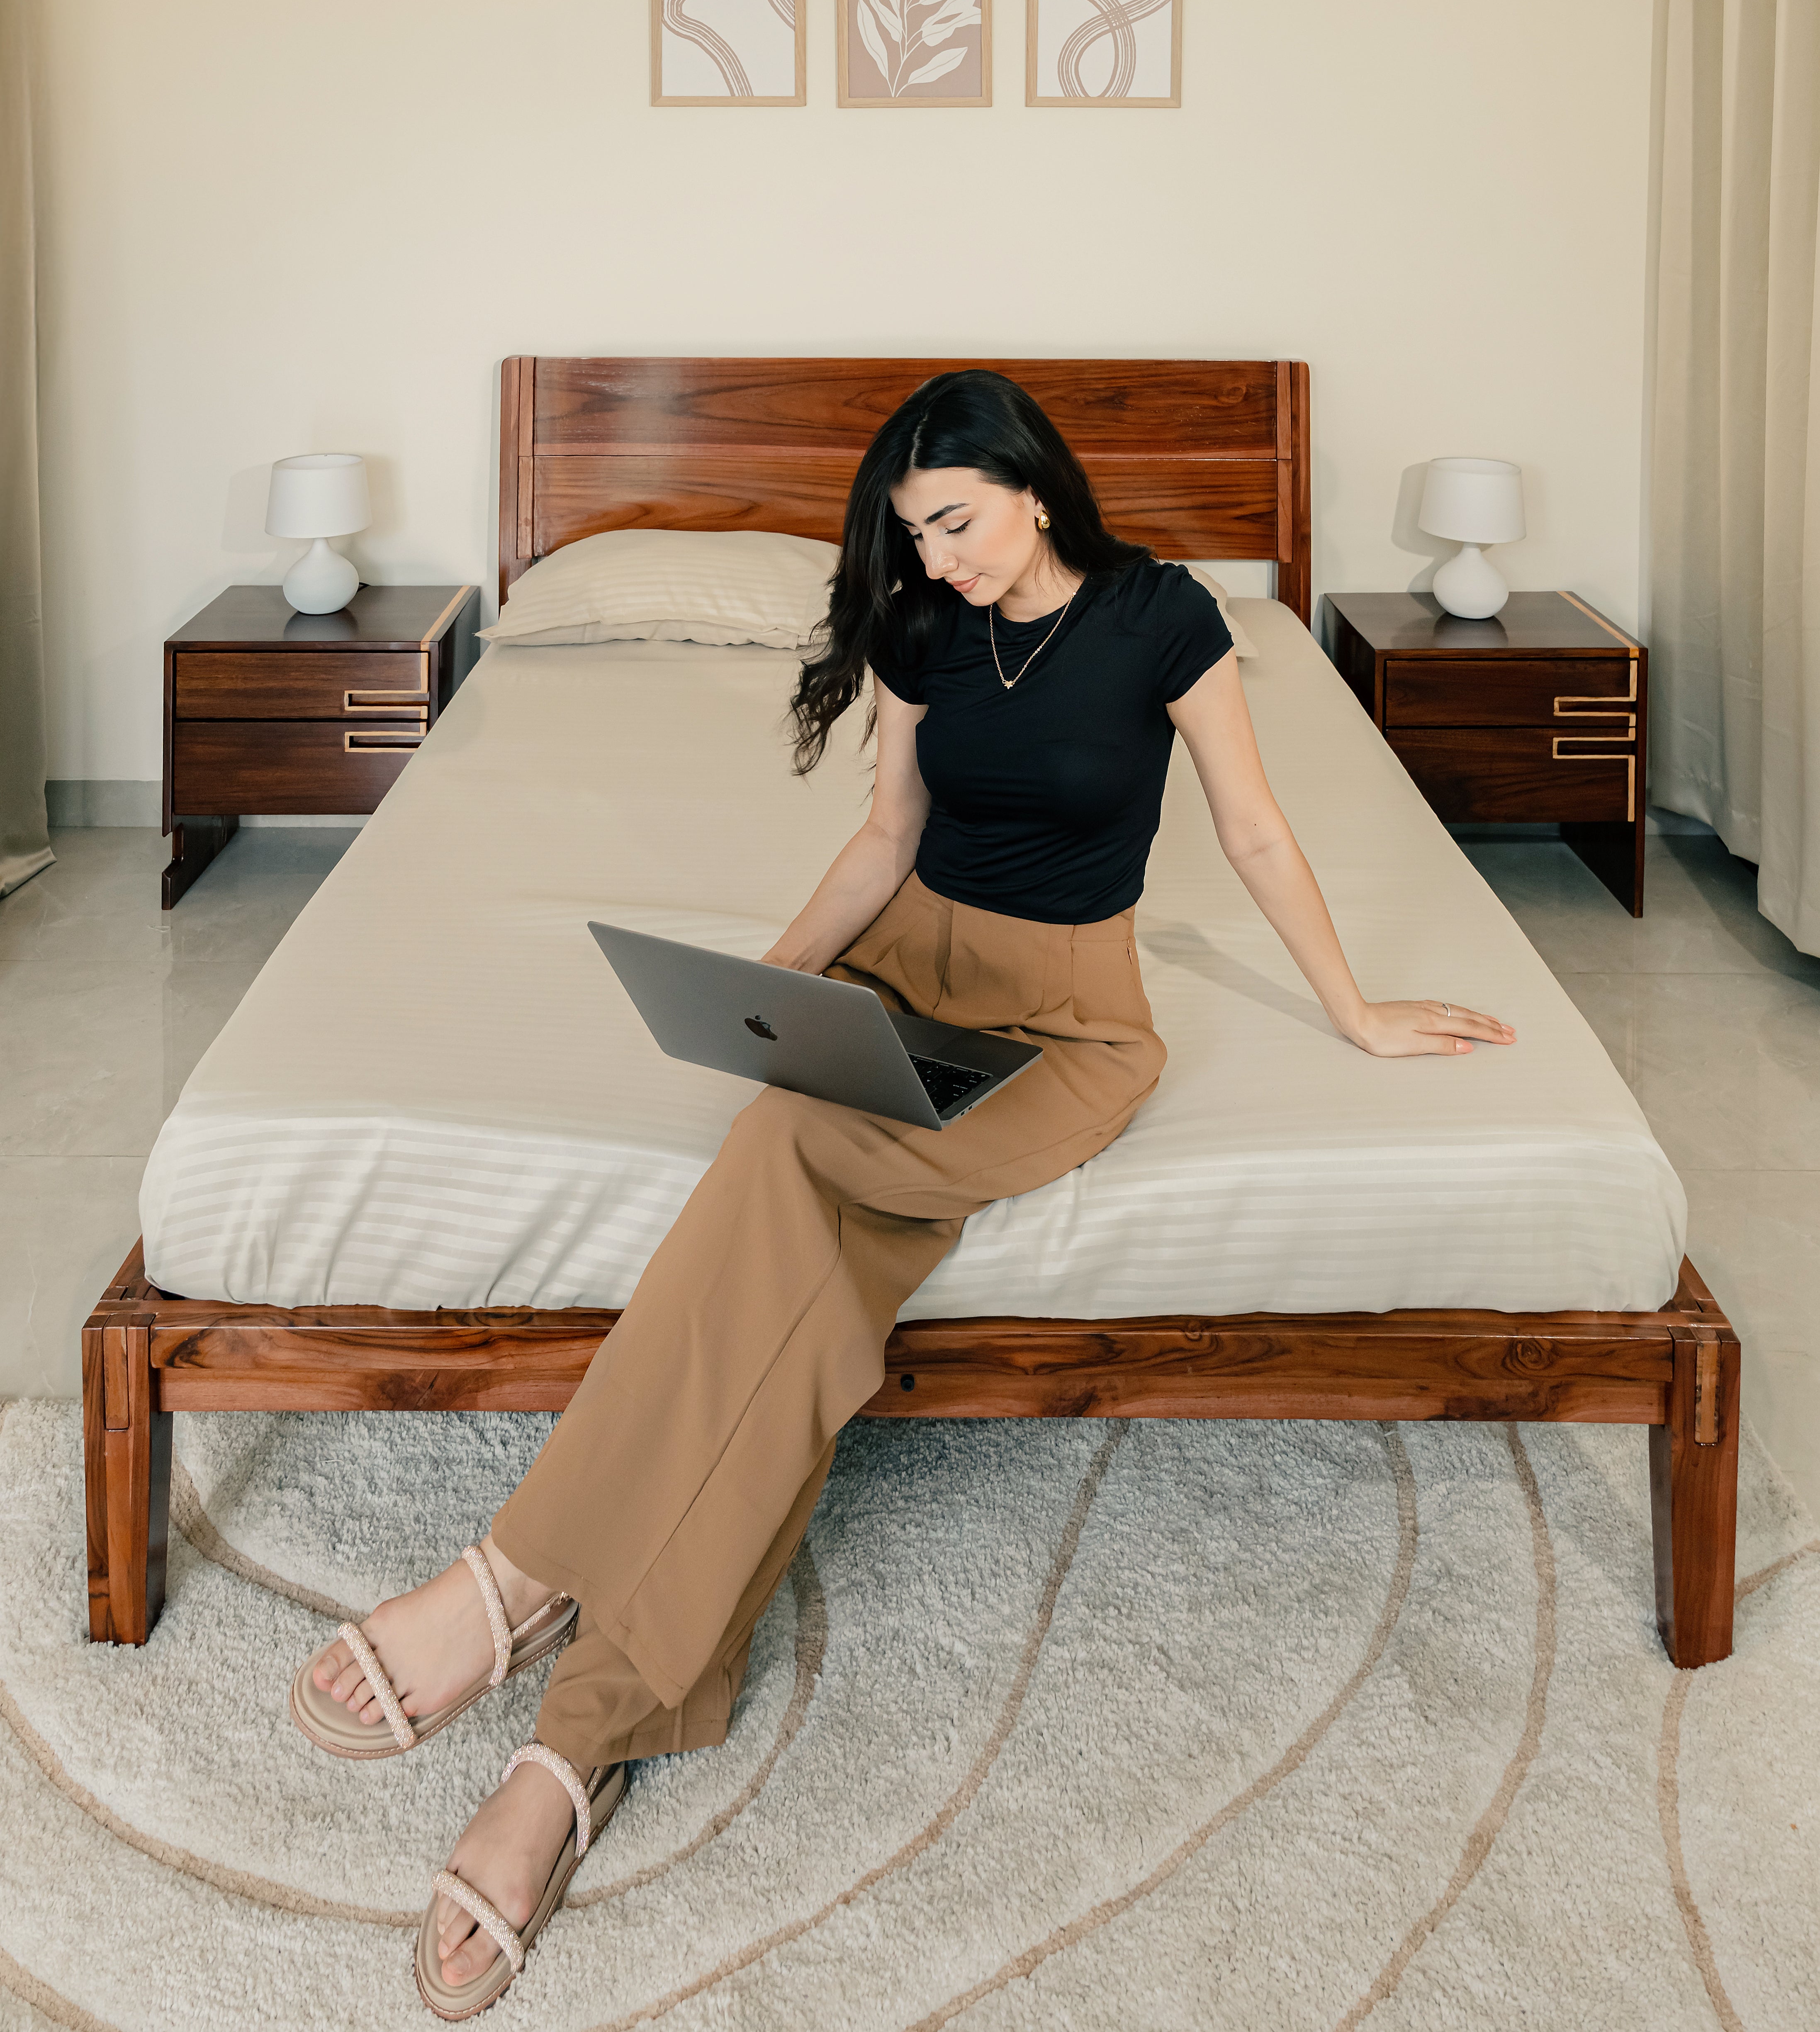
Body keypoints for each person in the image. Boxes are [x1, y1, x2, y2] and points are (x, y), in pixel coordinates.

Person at [288, 369, 1515, 2017]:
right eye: (905, 535)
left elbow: (1256, 832)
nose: (928, 561)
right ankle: (582, 1742)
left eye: (948, 521)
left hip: (1068, 1023)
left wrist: (1359, 1012)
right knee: (803, 1283)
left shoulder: (1163, 618)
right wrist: (757, 996)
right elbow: (883, 840)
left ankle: (514, 1576)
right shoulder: (923, 633)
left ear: (1028, 488)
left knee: (788, 1158)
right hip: (902, 972)